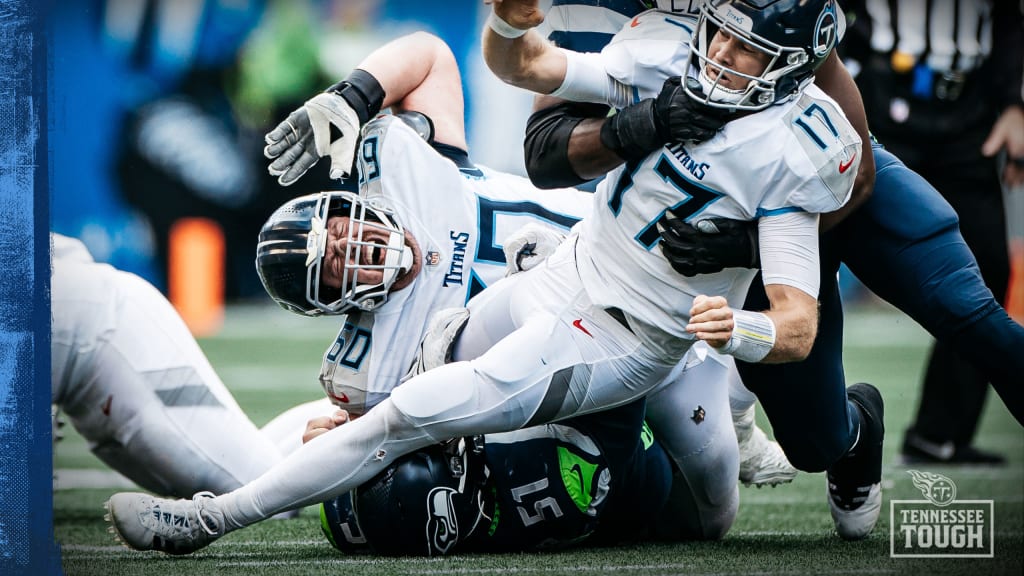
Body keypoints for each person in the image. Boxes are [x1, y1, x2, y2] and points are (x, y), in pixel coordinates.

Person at [104, 1, 858, 554]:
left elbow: (796, 320)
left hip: (649, 333)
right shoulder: (670, 54)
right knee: (407, 412)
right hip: (566, 278)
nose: (719, 54)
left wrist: (742, 329)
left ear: (791, 67)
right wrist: (507, 22)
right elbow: (527, 64)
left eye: (744, 48)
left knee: (712, 517)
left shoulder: (800, 147)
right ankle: (207, 520)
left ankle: (744, 419)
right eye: (718, 32)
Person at [489, 0, 1024, 539]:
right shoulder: (582, 12)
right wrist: (643, 123)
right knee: (815, 442)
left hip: (808, 204)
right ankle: (857, 432)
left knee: (968, 311)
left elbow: (857, 171)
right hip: (701, 241)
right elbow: (544, 154)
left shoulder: (760, 8)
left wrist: (752, 244)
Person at [839, 0, 1024, 465]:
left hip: (970, 113)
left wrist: (1015, 104)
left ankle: (939, 434)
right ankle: (819, 421)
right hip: (876, 102)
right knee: (816, 248)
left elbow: (1008, 19)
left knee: (985, 271)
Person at [51, 233, 307, 497]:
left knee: (265, 491)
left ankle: (345, 426)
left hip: (110, 333)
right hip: (80, 331)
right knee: (259, 473)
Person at [314, 400, 673, 555]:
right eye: (443, 456)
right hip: (640, 462)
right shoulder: (568, 473)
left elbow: (349, 509)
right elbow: (625, 370)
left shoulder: (355, 522)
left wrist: (331, 444)